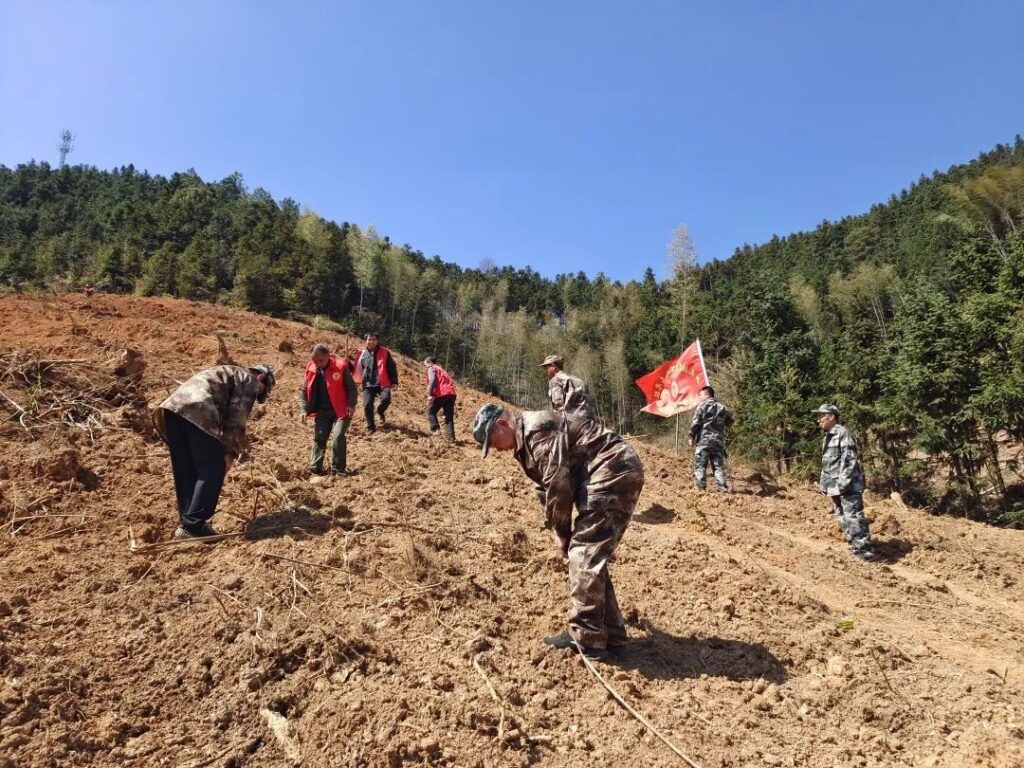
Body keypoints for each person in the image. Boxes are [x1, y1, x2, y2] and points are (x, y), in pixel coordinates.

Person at [472, 403, 644, 660]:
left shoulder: (537, 429)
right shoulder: (525, 441)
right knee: (589, 554)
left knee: (584, 553)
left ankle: (588, 639)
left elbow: (558, 483)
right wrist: (555, 527)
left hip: (612, 471)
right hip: (604, 475)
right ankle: (611, 635)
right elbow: (545, 489)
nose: (495, 448)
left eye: (493, 440)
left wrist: (562, 533)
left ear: (503, 424)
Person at [152, 364, 275, 539]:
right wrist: (229, 453)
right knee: (213, 466)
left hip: (172, 411)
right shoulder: (249, 380)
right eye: (260, 393)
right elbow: (236, 418)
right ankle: (193, 525)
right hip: (199, 411)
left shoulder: (226, 371)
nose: (256, 397)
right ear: (261, 378)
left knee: (186, 469)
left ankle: (188, 524)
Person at [813, 404, 876, 561]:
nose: (818, 420)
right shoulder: (828, 436)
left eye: (821, 416)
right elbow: (828, 463)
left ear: (832, 417)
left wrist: (843, 484)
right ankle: (855, 546)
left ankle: (865, 552)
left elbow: (849, 460)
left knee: (853, 516)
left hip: (847, 486)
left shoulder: (843, 434)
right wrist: (824, 484)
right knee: (842, 517)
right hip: (834, 486)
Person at [300, 344, 357, 476]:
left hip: (341, 410)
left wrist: (351, 404)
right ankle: (315, 467)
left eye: (320, 360)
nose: (318, 364)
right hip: (322, 411)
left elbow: (352, 388)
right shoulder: (311, 368)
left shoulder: (340, 367)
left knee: (338, 436)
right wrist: (303, 409)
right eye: (315, 361)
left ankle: (338, 468)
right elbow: (303, 390)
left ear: (328, 356)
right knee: (320, 437)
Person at [689, 385, 734, 492]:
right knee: (718, 467)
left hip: (703, 441)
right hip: (718, 442)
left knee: (701, 465)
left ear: (707, 394)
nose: (700, 397)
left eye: (701, 395)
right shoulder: (723, 408)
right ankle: (722, 489)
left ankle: (701, 488)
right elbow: (730, 422)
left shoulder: (701, 406)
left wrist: (691, 436)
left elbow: (696, 423)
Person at [356, 333, 398, 433]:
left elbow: (392, 367)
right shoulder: (362, 353)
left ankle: (380, 411)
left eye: (374, 339)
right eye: (369, 339)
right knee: (367, 405)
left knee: (386, 400)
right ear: (366, 341)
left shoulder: (385, 352)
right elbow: (356, 368)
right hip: (368, 383)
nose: (371, 341)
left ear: (377, 341)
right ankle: (371, 427)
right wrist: (347, 363)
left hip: (383, 382)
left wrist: (394, 381)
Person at [540, 354, 598, 421]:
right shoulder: (578, 380)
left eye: (546, 367)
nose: (546, 370)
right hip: (588, 421)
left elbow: (558, 406)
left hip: (572, 422)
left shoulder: (556, 380)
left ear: (553, 366)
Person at [424, 357, 457, 442]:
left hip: (442, 393)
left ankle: (435, 430)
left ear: (430, 362)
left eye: (426, 365)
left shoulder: (431, 368)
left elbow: (432, 380)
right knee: (448, 416)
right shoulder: (442, 370)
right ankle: (450, 438)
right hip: (451, 393)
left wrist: (430, 394)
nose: (426, 367)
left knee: (431, 411)